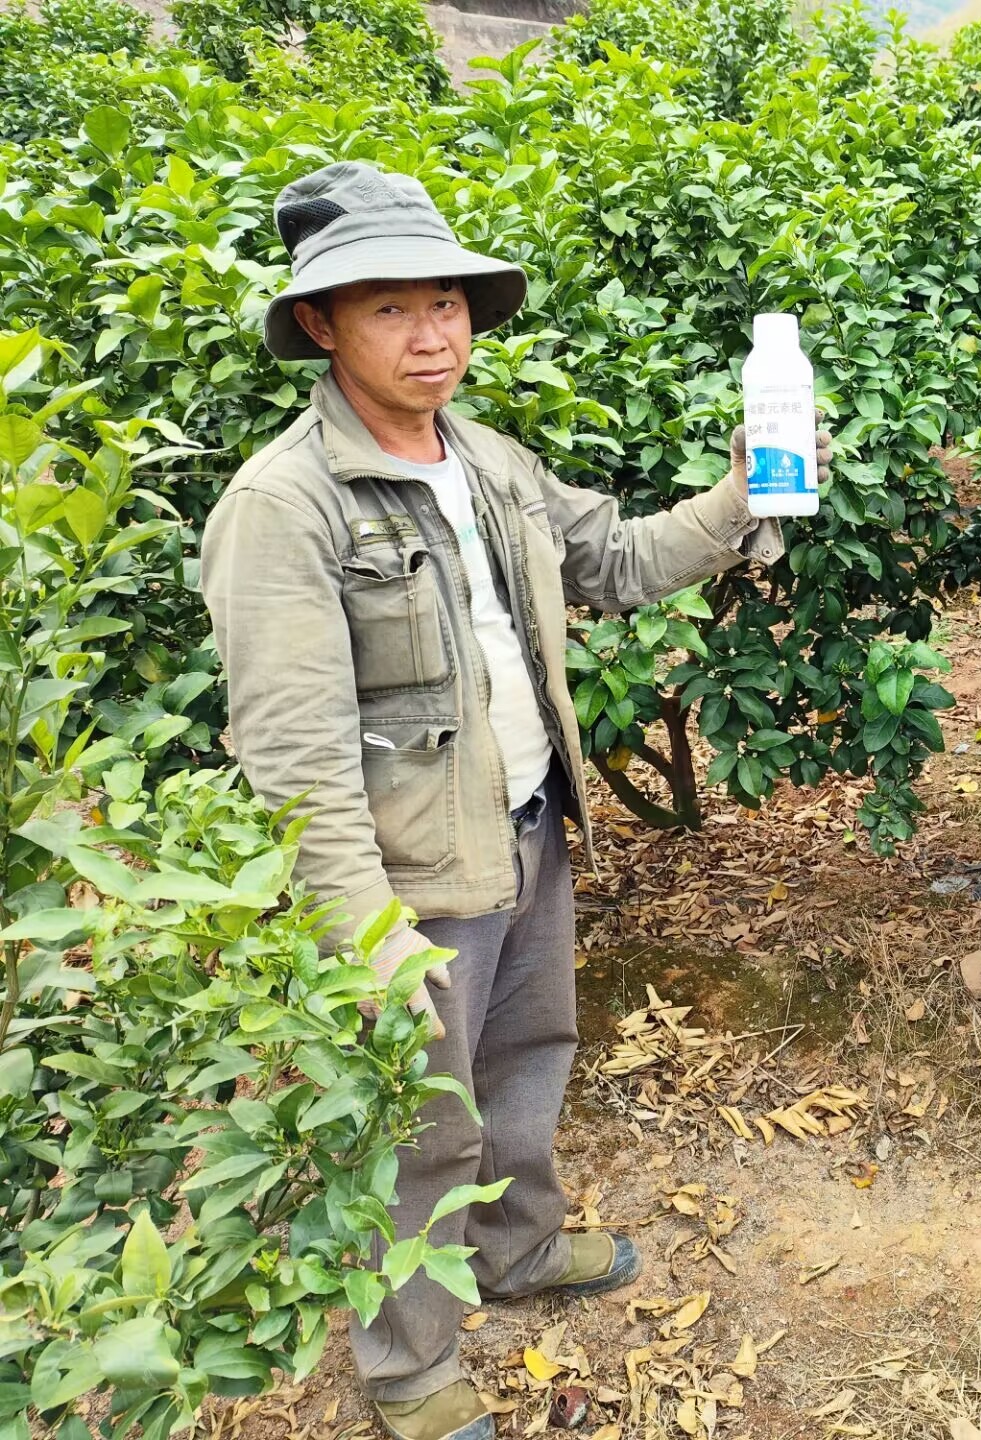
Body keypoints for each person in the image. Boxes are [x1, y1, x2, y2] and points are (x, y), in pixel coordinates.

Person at [199, 162, 829, 1440]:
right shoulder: (285, 504)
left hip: (529, 828)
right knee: (418, 1125)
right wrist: (359, 928)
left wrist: (745, 492)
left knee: (529, 1064)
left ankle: (517, 1250)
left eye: (449, 305)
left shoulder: (488, 458)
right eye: (392, 311)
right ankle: (411, 1367)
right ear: (322, 325)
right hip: (409, 882)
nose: (434, 336)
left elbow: (614, 559)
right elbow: (294, 752)